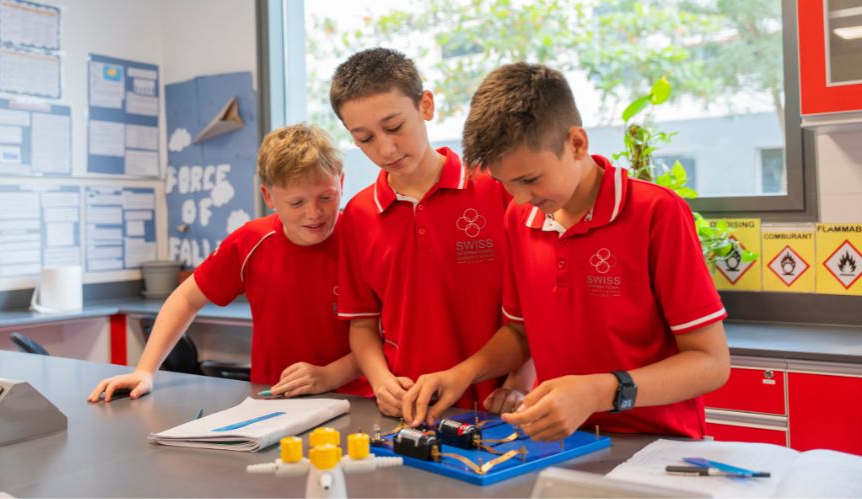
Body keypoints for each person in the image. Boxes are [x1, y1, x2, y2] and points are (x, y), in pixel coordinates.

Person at [402, 62, 730, 440]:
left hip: (655, 442)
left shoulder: (656, 212)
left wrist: (598, 391)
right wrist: (462, 373)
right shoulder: (520, 217)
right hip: (561, 440)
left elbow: (711, 363)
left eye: (530, 179)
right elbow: (520, 332)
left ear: (576, 143)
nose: (521, 197)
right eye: (507, 184)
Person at [88, 124, 369, 403]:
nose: (314, 213)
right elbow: (186, 298)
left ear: (341, 183)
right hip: (273, 398)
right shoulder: (250, 241)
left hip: (355, 401)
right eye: (296, 203)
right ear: (268, 196)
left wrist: (330, 376)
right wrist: (145, 371)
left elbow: (385, 334)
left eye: (326, 197)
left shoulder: (363, 241)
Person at [330, 48, 534, 417]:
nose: (385, 148)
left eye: (394, 127)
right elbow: (362, 323)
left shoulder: (497, 189)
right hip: (411, 407)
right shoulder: (359, 215)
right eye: (364, 138)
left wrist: (521, 380)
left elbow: (536, 305)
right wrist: (381, 382)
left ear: (425, 106)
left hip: (499, 402)